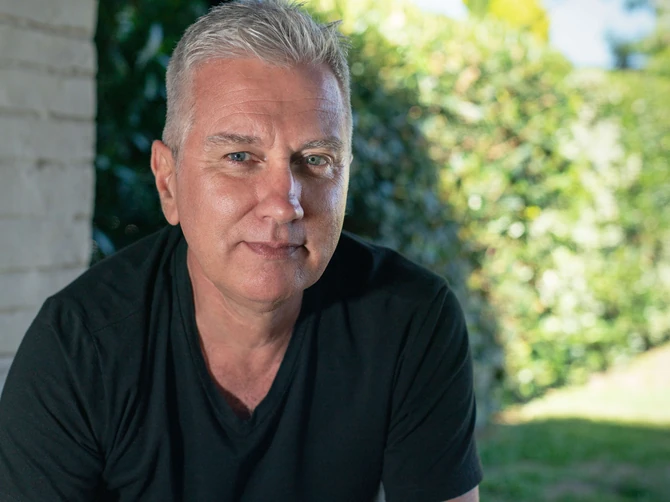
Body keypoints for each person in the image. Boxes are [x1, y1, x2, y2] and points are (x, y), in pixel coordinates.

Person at [0, 1, 482, 500]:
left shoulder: (408, 319)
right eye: (239, 156)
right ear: (168, 182)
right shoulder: (80, 347)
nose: (283, 205)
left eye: (316, 159)